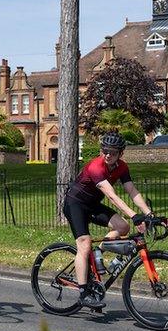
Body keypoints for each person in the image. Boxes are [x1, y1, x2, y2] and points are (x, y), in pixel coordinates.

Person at [63, 132, 153, 309]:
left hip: (93, 204)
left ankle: (99, 251)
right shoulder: (96, 166)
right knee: (84, 244)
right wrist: (135, 216)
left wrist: (148, 213)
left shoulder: (122, 167)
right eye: (105, 150)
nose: (108, 155)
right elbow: (112, 196)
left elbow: (132, 191)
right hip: (75, 204)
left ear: (121, 153)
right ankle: (83, 293)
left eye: (112, 152)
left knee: (123, 227)